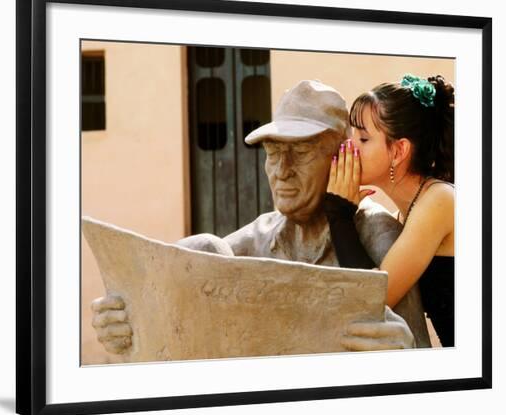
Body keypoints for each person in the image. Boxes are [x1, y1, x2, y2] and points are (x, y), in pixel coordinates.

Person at [91, 80, 420, 355]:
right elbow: (163, 299)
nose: (282, 171)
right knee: (203, 248)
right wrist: (128, 316)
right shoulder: (256, 238)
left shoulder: (378, 233)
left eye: (301, 152)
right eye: (273, 153)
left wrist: (403, 352)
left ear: (341, 159)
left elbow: (418, 350)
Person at [322, 74, 455, 347]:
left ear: (398, 151)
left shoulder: (440, 201)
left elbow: (374, 301)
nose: (349, 147)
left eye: (363, 138)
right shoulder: (404, 216)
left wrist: (338, 214)